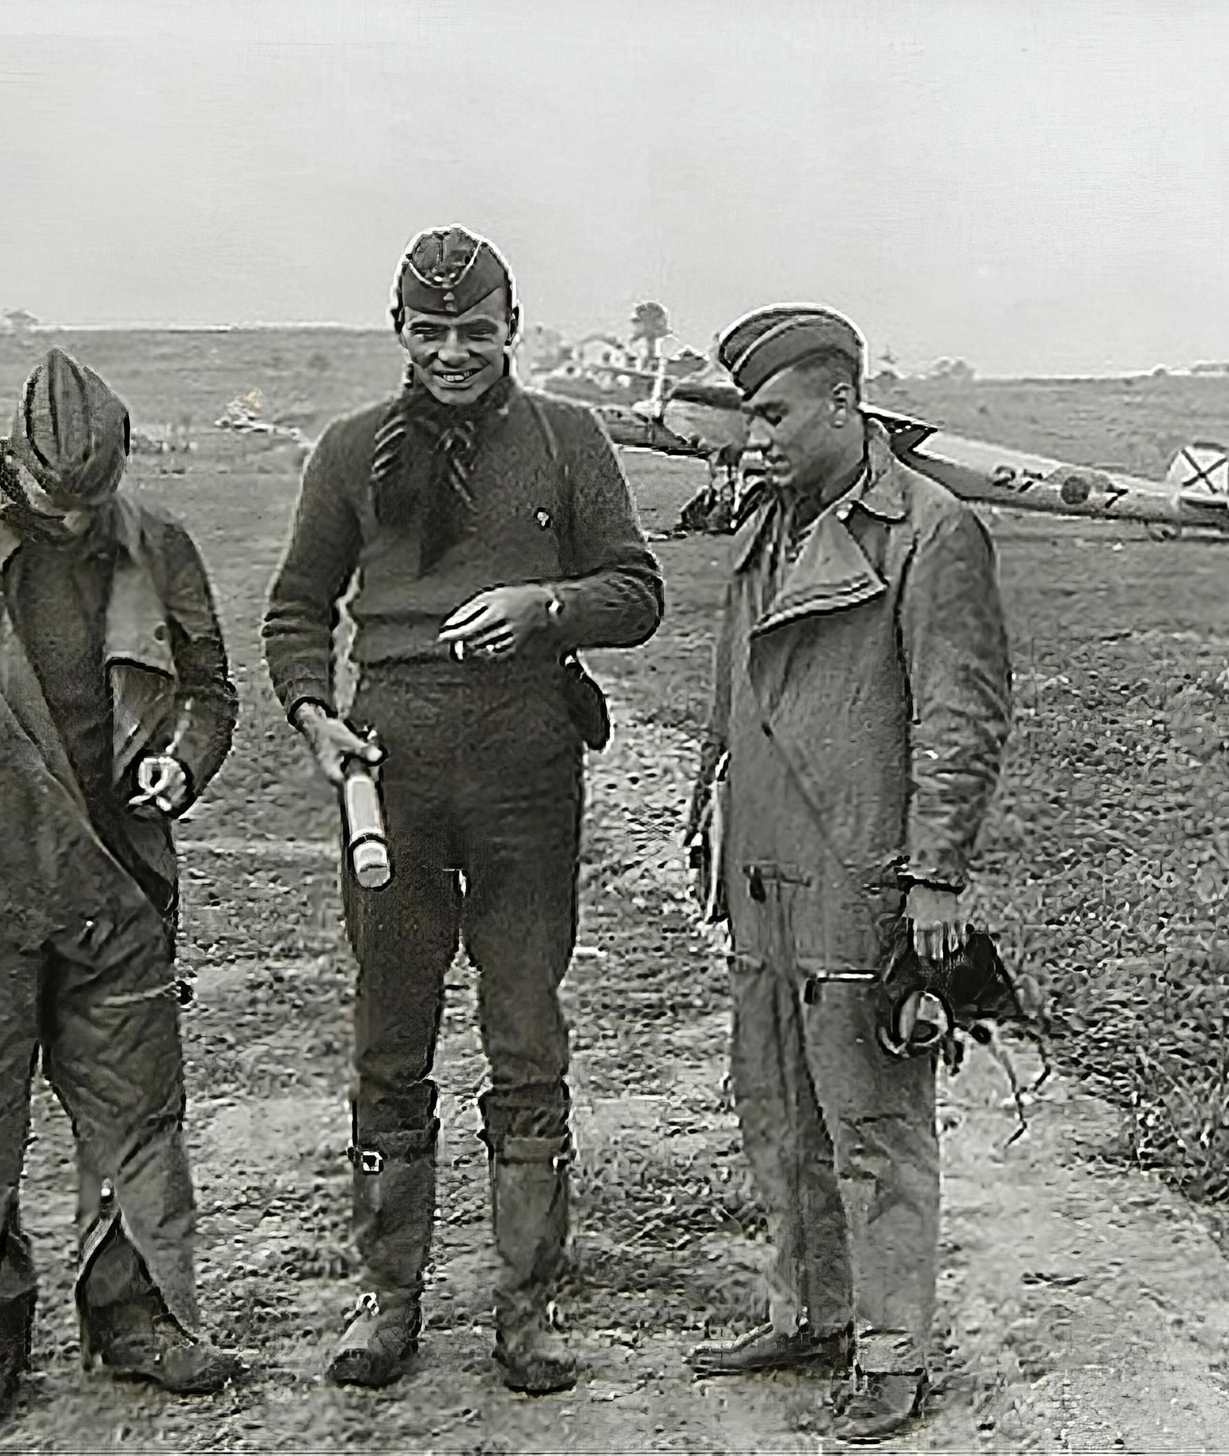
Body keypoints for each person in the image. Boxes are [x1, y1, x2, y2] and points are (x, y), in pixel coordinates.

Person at [261, 225, 664, 1394]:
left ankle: (525, 1309)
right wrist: (308, 712)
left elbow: (636, 592)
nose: (452, 353)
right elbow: (296, 609)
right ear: (398, 332)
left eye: (474, 332)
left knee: (524, 1029)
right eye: (429, 332)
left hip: (525, 764)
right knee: (389, 1033)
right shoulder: (345, 453)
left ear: (511, 330)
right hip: (389, 765)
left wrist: (545, 604)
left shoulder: (567, 439)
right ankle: (386, 1299)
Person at [0, 348, 243, 1430]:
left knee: (138, 1116)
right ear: (12, 462)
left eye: (97, 499)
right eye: (55, 502)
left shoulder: (158, 544)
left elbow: (210, 687)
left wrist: (184, 755)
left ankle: (133, 1312)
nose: (79, 523)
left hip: (116, 892)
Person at [683, 305, 1012, 1442]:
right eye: (747, 417)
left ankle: (891, 1352)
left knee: (872, 1123)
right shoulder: (764, 526)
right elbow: (735, 694)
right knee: (775, 1108)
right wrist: (706, 809)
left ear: (841, 400)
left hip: (858, 867)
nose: (756, 437)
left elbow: (959, 714)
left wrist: (932, 876)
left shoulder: (927, 531)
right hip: (763, 868)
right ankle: (810, 1310)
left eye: (773, 413)